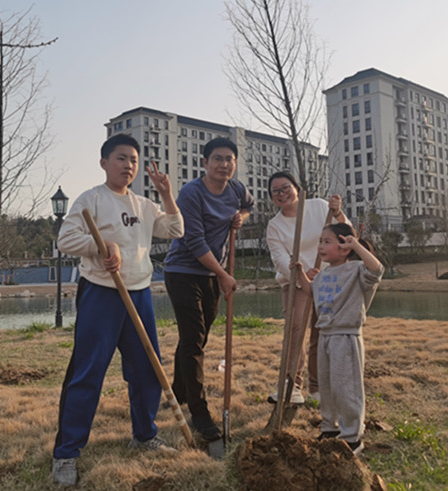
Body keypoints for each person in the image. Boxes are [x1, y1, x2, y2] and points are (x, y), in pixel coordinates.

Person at [51, 134, 184, 487]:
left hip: (139, 293)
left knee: (147, 369)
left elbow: (175, 229)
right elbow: (65, 240)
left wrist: (167, 195)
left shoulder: (144, 205)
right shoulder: (91, 199)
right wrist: (102, 245)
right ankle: (66, 453)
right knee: (88, 372)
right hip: (101, 293)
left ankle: (144, 435)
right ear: (104, 163)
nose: (128, 165)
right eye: (121, 158)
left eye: (133, 160)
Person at [164, 137, 254, 445]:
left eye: (229, 159)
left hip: (212, 274)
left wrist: (241, 217)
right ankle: (199, 413)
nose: (223, 164)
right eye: (217, 158)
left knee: (196, 338)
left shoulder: (236, 189)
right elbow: (195, 241)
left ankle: (178, 391)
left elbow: (249, 206)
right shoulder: (191, 193)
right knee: (193, 339)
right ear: (205, 162)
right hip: (183, 272)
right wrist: (224, 274)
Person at [292, 222, 384, 456]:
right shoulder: (324, 274)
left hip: (345, 336)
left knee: (346, 387)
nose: (321, 247)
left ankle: (352, 436)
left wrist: (356, 245)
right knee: (327, 386)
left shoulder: (356, 270)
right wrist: (299, 273)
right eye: (320, 241)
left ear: (344, 247)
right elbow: (311, 292)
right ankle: (330, 427)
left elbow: (377, 269)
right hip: (325, 336)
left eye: (327, 242)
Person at [265, 171, 349, 404]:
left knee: (321, 332)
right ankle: (291, 384)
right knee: (296, 328)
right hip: (295, 282)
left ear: (297, 188)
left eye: (286, 187)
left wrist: (337, 213)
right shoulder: (274, 226)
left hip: (327, 279)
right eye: (275, 191)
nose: (282, 194)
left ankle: (318, 386)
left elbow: (346, 234)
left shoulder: (319, 207)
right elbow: (280, 259)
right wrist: (301, 277)